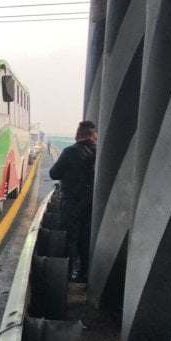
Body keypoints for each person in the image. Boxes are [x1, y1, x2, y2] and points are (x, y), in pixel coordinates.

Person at [48, 120, 97, 282]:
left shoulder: (70, 152)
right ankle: (84, 273)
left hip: (71, 202)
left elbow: (54, 174)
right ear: (93, 136)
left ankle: (67, 274)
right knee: (86, 237)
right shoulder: (100, 152)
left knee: (70, 238)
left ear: (78, 135)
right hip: (92, 204)